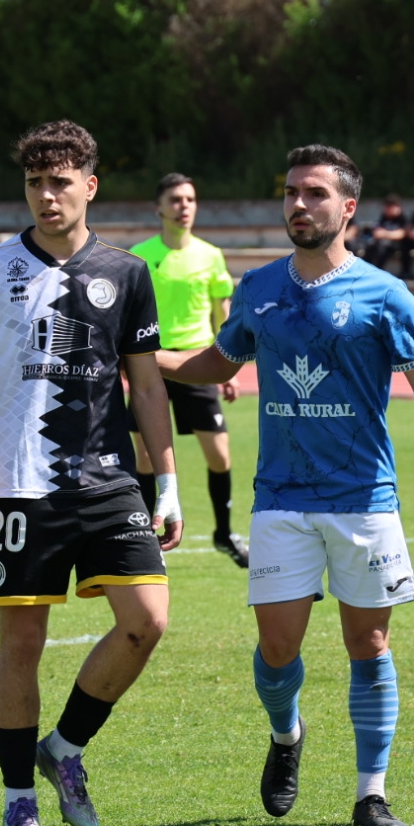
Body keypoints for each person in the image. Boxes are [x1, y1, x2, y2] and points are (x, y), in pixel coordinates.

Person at [158, 144, 414, 826]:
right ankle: (287, 734)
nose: (299, 205)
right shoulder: (259, 288)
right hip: (281, 496)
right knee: (277, 649)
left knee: (370, 644)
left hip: (365, 498)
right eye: (291, 193)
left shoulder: (384, 293)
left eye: (315, 194)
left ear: (348, 207)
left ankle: (371, 794)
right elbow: (219, 360)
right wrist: (146, 357)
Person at [0, 120, 185, 826]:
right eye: (35, 183)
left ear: (90, 187)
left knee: (147, 620)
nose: (47, 196)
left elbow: (146, 385)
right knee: (22, 641)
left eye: (61, 183)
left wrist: (168, 480)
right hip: (23, 483)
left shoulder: (127, 274)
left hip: (109, 479)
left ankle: (65, 746)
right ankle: (19, 801)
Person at [129, 173, 249, 567]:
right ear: (159, 208)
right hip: (151, 363)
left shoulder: (210, 255)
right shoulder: (139, 255)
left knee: (219, 455)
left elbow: (222, 312)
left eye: (190, 199)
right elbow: (128, 314)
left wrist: (229, 367)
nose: (184, 206)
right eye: (176, 199)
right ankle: (145, 538)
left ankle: (223, 533)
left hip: (197, 362)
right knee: (145, 456)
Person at [360, 193, 409, 275]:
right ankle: (364, 270)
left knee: (383, 246)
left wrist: (385, 234)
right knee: (371, 246)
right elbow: (378, 229)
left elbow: (402, 233)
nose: (388, 209)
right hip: (382, 243)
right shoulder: (384, 218)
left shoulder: (402, 219)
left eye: (390, 207)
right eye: (387, 207)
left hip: (397, 244)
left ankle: (378, 272)